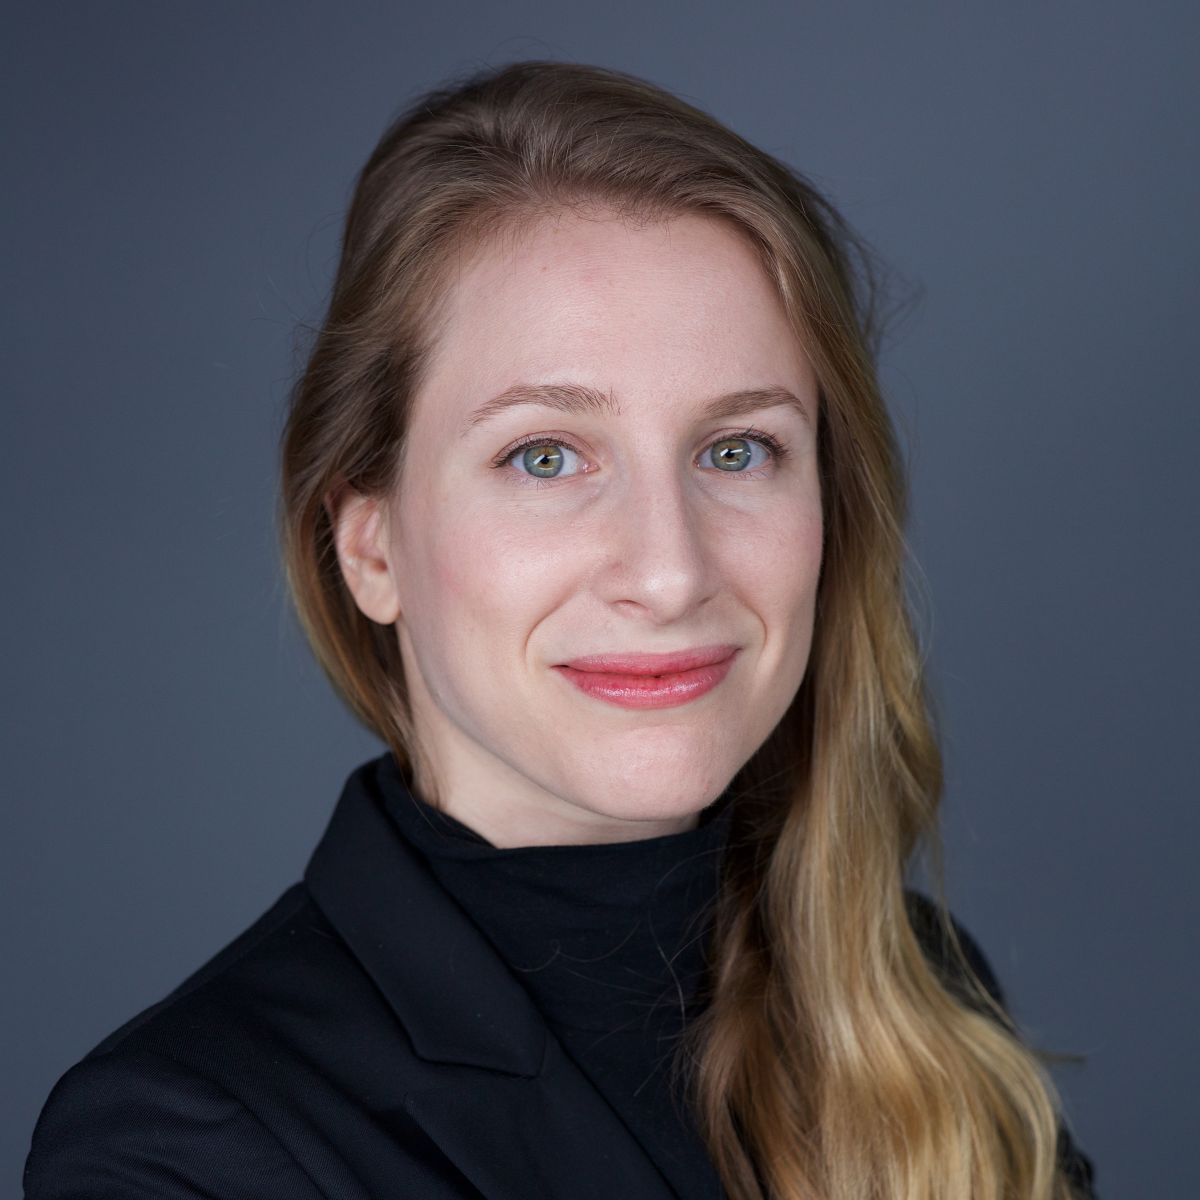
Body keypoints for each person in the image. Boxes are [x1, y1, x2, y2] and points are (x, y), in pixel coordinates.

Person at [24, 60, 1096, 1200]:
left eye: (737, 450)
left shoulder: (923, 994)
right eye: (545, 456)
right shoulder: (180, 1144)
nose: (670, 571)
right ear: (371, 545)